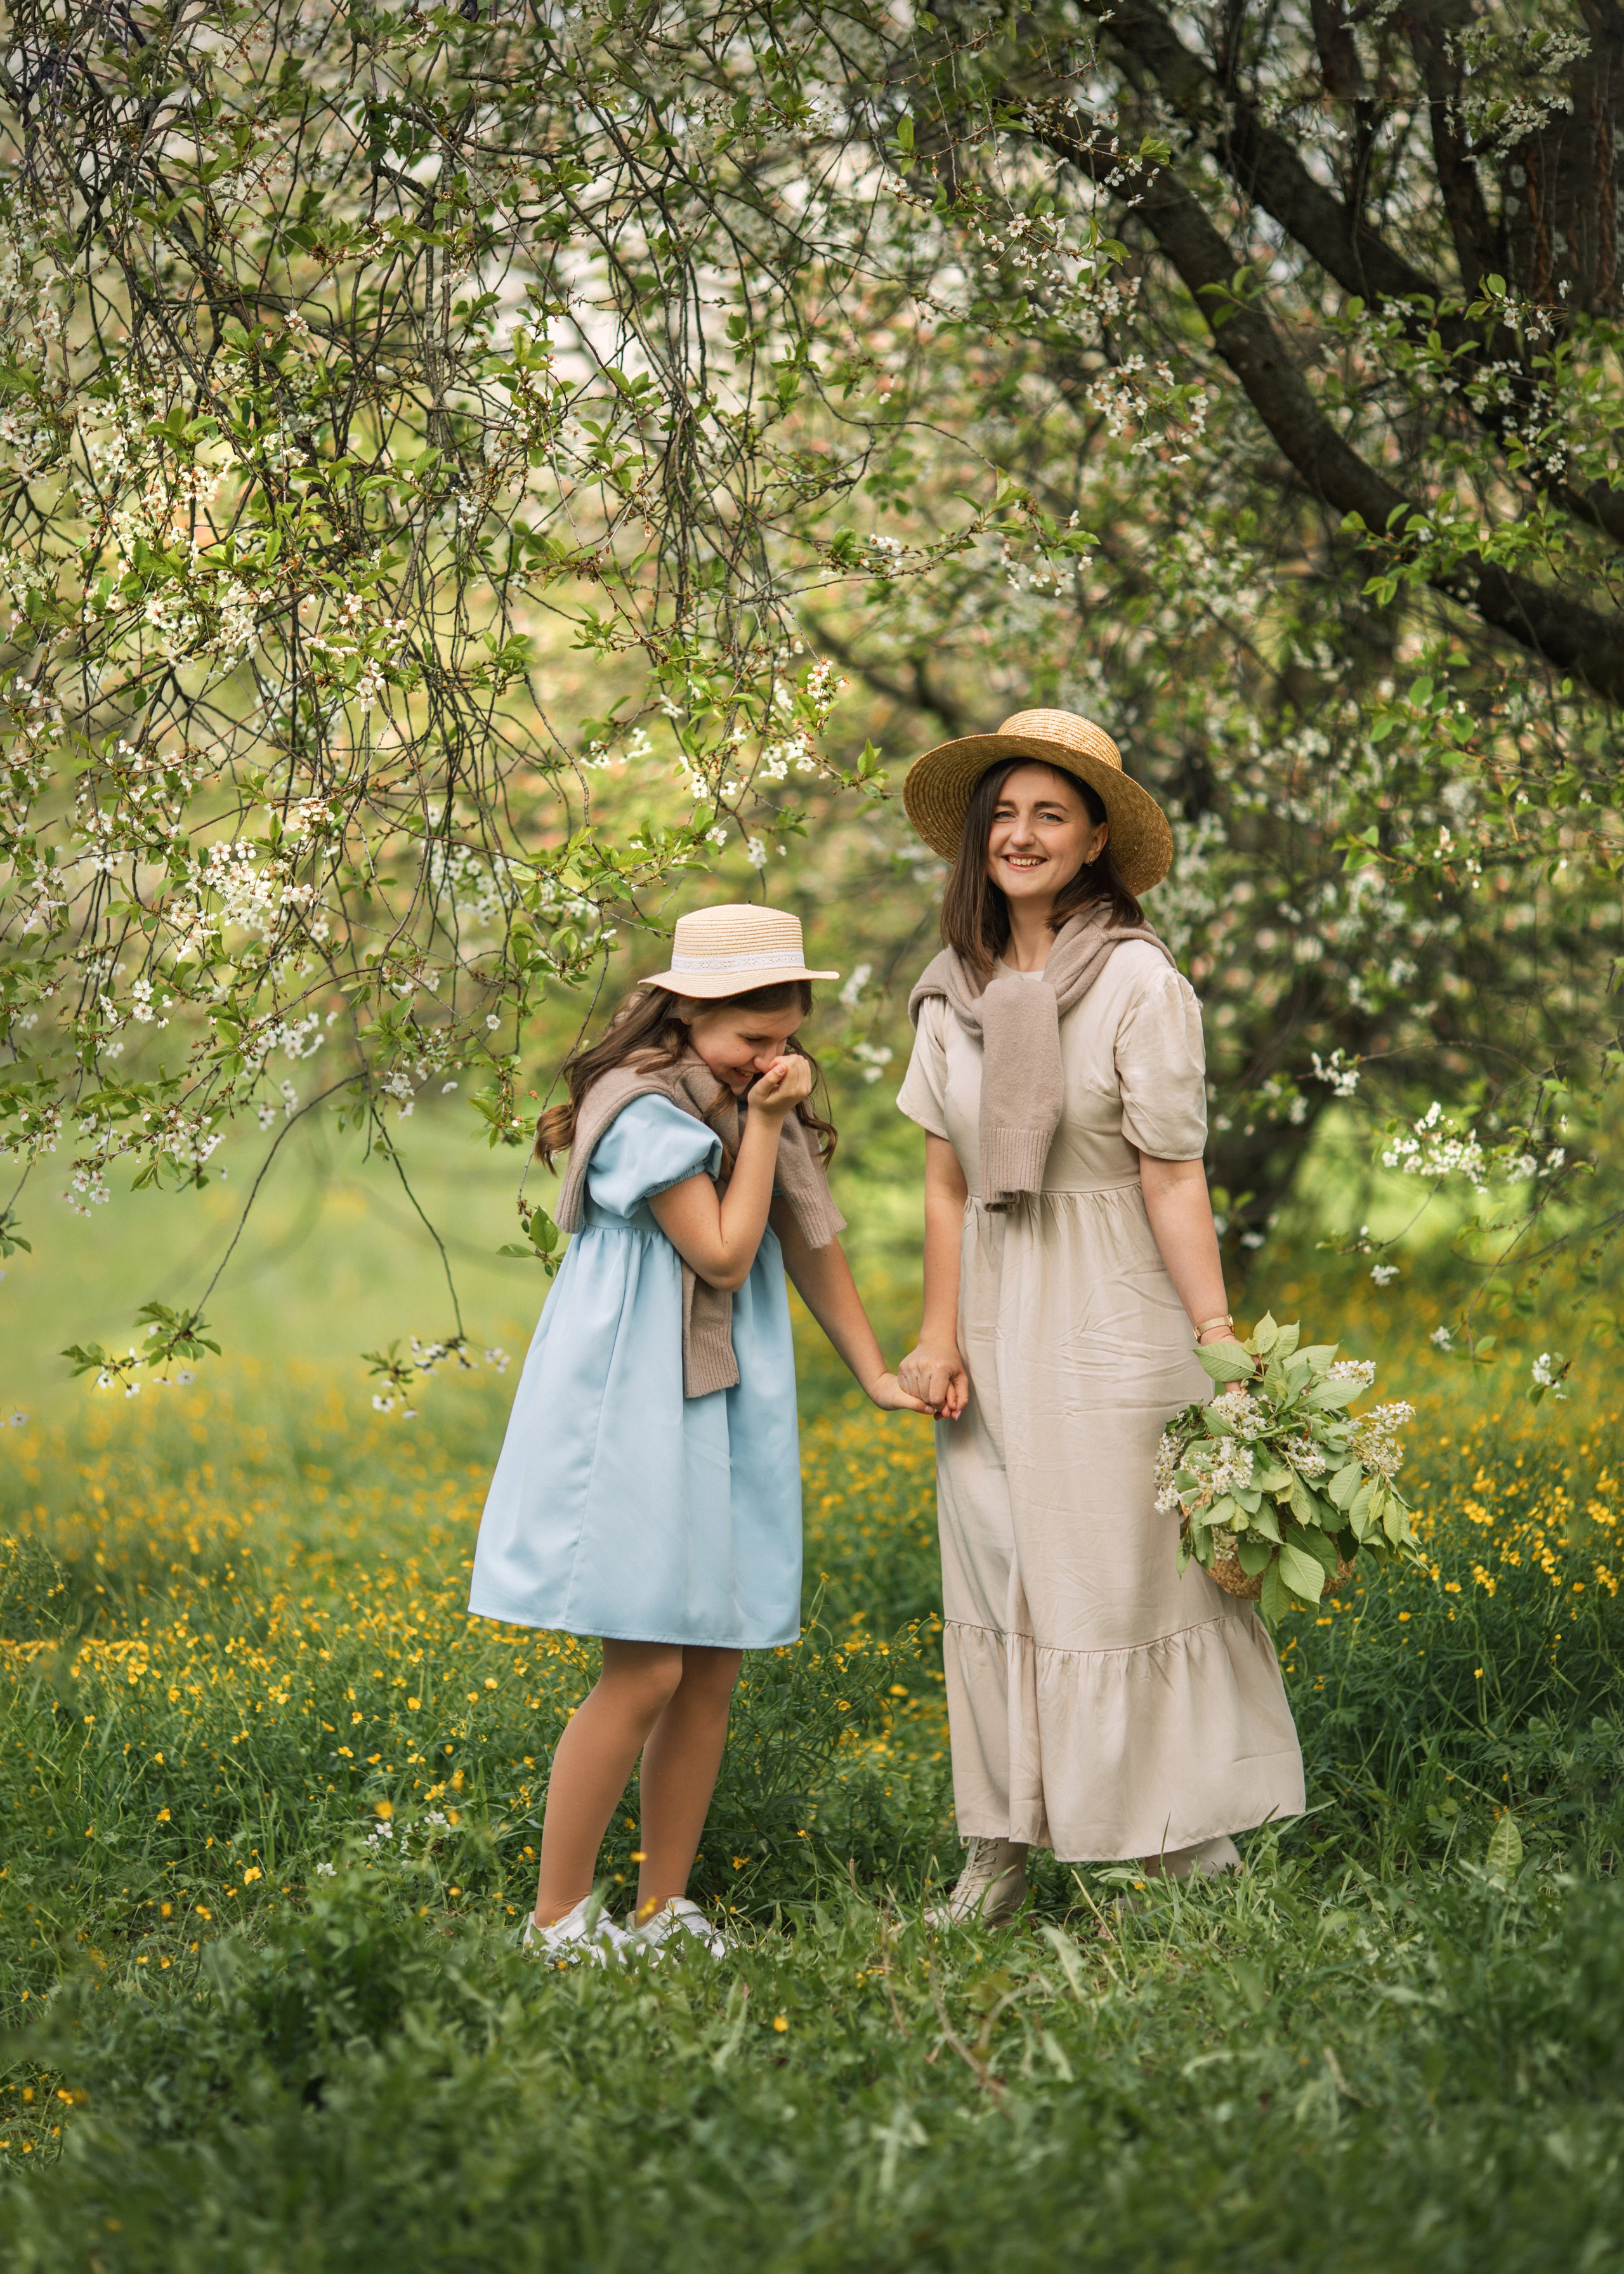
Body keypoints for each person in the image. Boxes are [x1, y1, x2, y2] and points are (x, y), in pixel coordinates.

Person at [894, 709, 1304, 1924]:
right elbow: (944, 1182)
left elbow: (1171, 1174)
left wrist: (1218, 1339)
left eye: (1051, 816)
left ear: (1092, 843)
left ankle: (1184, 1847)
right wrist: (936, 1334)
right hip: (991, 1317)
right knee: (997, 1572)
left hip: (1111, 1311)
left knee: (1122, 1576)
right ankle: (999, 1849)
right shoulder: (949, 992)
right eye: (1006, 814)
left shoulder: (1139, 981)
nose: (1022, 836)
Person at [469, 902, 926, 1959]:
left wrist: (873, 1372)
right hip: (635, 1387)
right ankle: (556, 1921)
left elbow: (803, 1238)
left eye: (786, 1038)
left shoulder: (749, 1097)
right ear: (687, 1014)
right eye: (752, 1038)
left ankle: (660, 1909)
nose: (773, 1060)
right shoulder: (642, 1111)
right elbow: (722, 1252)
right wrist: (764, 1126)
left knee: (712, 1662)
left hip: (723, 1388)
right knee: (646, 1667)